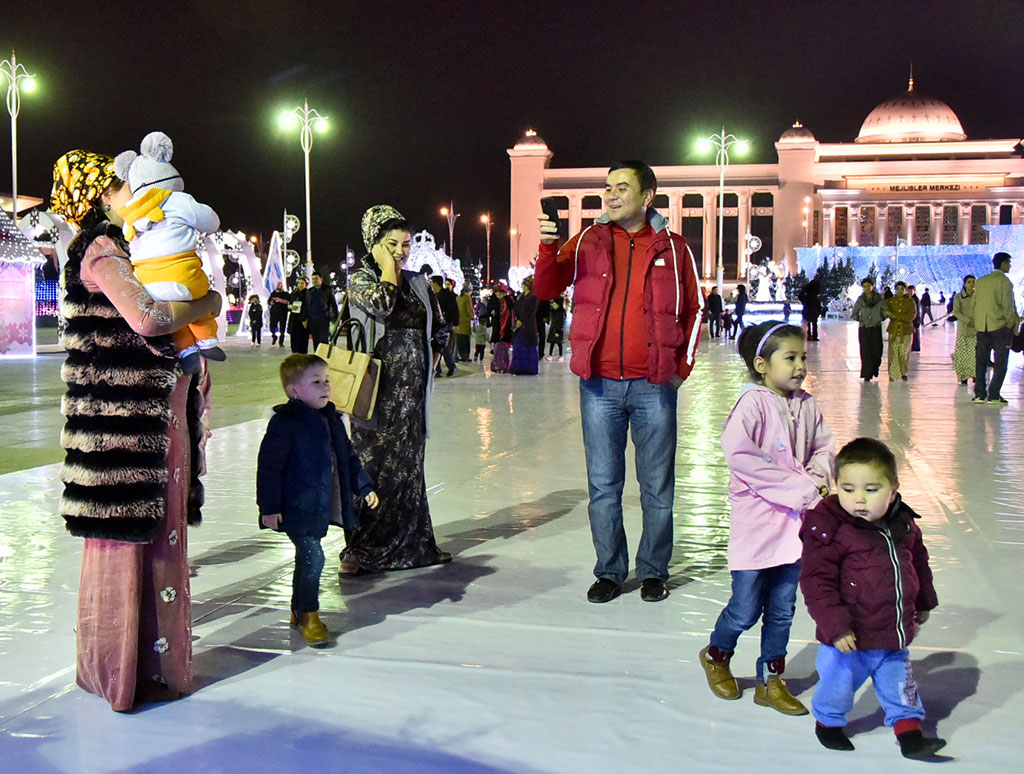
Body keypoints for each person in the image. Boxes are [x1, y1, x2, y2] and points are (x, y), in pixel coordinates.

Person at [53, 149, 222, 711]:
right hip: (127, 427)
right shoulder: (102, 250)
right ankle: (125, 673)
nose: (139, 192)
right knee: (131, 545)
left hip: (140, 419)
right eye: (126, 184)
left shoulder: (124, 246)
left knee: (147, 537)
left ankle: (142, 666)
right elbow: (148, 317)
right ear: (104, 195)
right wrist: (208, 300)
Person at [534, 160, 703, 603]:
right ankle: (609, 570)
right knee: (604, 487)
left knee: (656, 488)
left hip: (654, 386)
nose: (610, 194)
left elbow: (695, 310)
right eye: (607, 187)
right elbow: (547, 289)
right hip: (600, 386)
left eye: (621, 187)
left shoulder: (674, 247)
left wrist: (678, 371)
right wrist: (548, 247)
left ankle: (652, 570)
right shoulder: (589, 239)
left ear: (648, 196)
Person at [699, 321, 834, 715]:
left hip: (795, 528)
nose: (799, 366)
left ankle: (770, 680)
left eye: (803, 357)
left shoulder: (807, 405)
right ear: (761, 364)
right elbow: (744, 458)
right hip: (758, 526)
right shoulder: (752, 404)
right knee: (744, 607)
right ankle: (717, 654)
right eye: (789, 358)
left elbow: (825, 448)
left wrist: (817, 478)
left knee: (783, 607)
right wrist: (803, 491)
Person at [800, 438, 945, 760]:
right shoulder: (830, 529)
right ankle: (828, 723)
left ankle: (910, 736)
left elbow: (918, 563)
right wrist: (836, 627)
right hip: (849, 638)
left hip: (891, 633)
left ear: (893, 489)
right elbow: (816, 581)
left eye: (871, 489)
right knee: (838, 688)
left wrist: (923, 602)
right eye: (848, 489)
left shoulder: (903, 524)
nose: (858, 499)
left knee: (901, 689)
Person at [340, 205, 452, 573]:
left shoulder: (418, 282)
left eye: (405, 244)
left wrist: (429, 363)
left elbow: (441, 328)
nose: (401, 251)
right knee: (372, 470)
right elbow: (382, 306)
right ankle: (361, 550)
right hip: (374, 395)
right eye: (392, 244)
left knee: (408, 472)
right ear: (373, 242)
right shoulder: (360, 281)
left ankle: (412, 547)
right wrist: (389, 269)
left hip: (411, 398)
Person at [257, 354, 378, 646]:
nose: (325, 387)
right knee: (314, 556)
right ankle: (309, 614)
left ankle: (298, 610)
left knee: (307, 557)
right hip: (296, 505)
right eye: (316, 382)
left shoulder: (332, 420)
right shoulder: (285, 424)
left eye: (327, 381)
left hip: (320, 504)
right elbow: (269, 468)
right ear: (293, 391)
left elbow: (349, 458)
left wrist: (364, 487)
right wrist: (269, 507)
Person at [114, 131, 224, 373]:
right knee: (198, 293)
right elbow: (212, 222)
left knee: (172, 314)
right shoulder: (178, 200)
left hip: (148, 285)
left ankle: (186, 350)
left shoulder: (129, 215)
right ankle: (207, 341)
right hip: (181, 275)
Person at [972, 252, 1020, 405]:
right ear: (1003, 264)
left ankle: (979, 394)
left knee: (981, 361)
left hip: (982, 327)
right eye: (1009, 263)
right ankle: (994, 395)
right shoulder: (1004, 282)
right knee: (1000, 362)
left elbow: (974, 304)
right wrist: (1011, 323)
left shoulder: (981, 281)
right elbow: (1007, 305)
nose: (1010, 266)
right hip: (999, 326)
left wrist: (978, 321)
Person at [851, 277, 885, 381]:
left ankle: (875, 368)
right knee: (865, 351)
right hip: (864, 328)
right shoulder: (860, 300)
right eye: (864, 286)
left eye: (868, 286)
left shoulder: (879, 300)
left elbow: (886, 311)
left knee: (877, 351)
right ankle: (867, 373)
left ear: (872, 286)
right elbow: (854, 314)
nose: (866, 288)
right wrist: (861, 319)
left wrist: (879, 318)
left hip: (875, 328)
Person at [883, 282, 915, 381]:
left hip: (906, 330)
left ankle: (903, 371)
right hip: (894, 329)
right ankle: (893, 373)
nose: (900, 291)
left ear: (906, 290)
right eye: (898, 289)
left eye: (902, 289)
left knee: (904, 352)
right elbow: (883, 309)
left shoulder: (910, 302)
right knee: (893, 352)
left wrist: (897, 317)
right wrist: (887, 313)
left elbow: (912, 315)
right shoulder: (891, 301)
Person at [510, 276, 540, 375]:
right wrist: (517, 320)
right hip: (520, 326)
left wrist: (522, 321)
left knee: (529, 347)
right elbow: (517, 309)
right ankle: (518, 367)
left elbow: (531, 312)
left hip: (528, 326)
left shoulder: (533, 297)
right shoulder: (521, 297)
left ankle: (529, 368)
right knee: (518, 347)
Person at [952, 275, 977, 385]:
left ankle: (975, 374)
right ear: (964, 284)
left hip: (976, 330)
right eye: (969, 282)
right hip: (964, 330)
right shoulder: (959, 297)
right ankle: (963, 376)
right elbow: (956, 312)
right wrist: (967, 320)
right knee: (962, 355)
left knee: (975, 354)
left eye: (973, 282)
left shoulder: (978, 296)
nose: (971, 284)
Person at [431, 275, 458, 376]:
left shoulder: (446, 295)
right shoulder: (435, 294)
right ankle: (438, 370)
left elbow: (454, 310)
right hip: (438, 324)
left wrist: (454, 323)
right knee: (438, 346)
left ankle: (448, 367)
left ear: (436, 283)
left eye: (431, 282)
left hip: (444, 324)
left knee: (441, 345)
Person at [305, 271, 338, 351]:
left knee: (323, 340)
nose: (314, 281)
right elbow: (306, 306)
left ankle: (324, 357)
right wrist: (305, 318)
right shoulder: (309, 291)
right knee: (315, 340)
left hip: (323, 319)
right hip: (312, 320)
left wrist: (335, 318)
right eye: (313, 279)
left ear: (321, 279)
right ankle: (317, 356)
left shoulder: (327, 290)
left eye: (316, 278)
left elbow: (333, 305)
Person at [489, 282, 516, 373]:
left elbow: (512, 314)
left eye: (501, 293)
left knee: (504, 347)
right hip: (497, 327)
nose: (499, 295)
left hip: (506, 328)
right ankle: (496, 365)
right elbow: (489, 310)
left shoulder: (508, 301)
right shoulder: (493, 300)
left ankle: (505, 365)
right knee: (497, 347)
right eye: (497, 293)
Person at [288, 276, 310, 353]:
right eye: (299, 283)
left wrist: (305, 319)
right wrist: (290, 306)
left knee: (302, 342)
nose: (300, 285)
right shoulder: (294, 293)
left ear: (306, 284)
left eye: (302, 283)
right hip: (294, 319)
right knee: (294, 341)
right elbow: (289, 304)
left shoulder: (307, 294)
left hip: (302, 321)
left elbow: (307, 307)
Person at [454, 284, 474, 362]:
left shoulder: (458, 297)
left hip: (458, 323)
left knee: (459, 341)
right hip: (465, 322)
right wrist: (472, 316)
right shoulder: (467, 298)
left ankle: (458, 355)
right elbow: (469, 310)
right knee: (466, 341)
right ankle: (465, 356)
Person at [268, 282, 291, 347]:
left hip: (283, 313)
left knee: (282, 328)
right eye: (278, 285)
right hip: (274, 313)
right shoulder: (273, 293)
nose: (279, 286)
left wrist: (280, 300)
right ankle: (274, 336)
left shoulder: (285, 294)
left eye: (280, 285)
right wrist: (271, 302)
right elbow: (269, 301)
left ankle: (281, 341)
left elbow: (288, 302)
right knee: (272, 326)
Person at [546, 295, 566, 360]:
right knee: (552, 342)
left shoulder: (561, 313)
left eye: (555, 304)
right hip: (553, 329)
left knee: (559, 343)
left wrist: (558, 331)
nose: (553, 305)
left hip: (558, 329)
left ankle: (561, 355)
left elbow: (561, 323)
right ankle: (550, 355)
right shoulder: (552, 311)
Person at [908, 285, 922, 352]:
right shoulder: (911, 298)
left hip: (915, 319)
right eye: (909, 291)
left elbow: (916, 311)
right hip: (914, 318)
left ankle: (916, 347)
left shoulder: (915, 299)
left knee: (915, 333)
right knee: (915, 333)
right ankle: (915, 346)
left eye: (911, 291)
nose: (910, 292)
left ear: (914, 291)